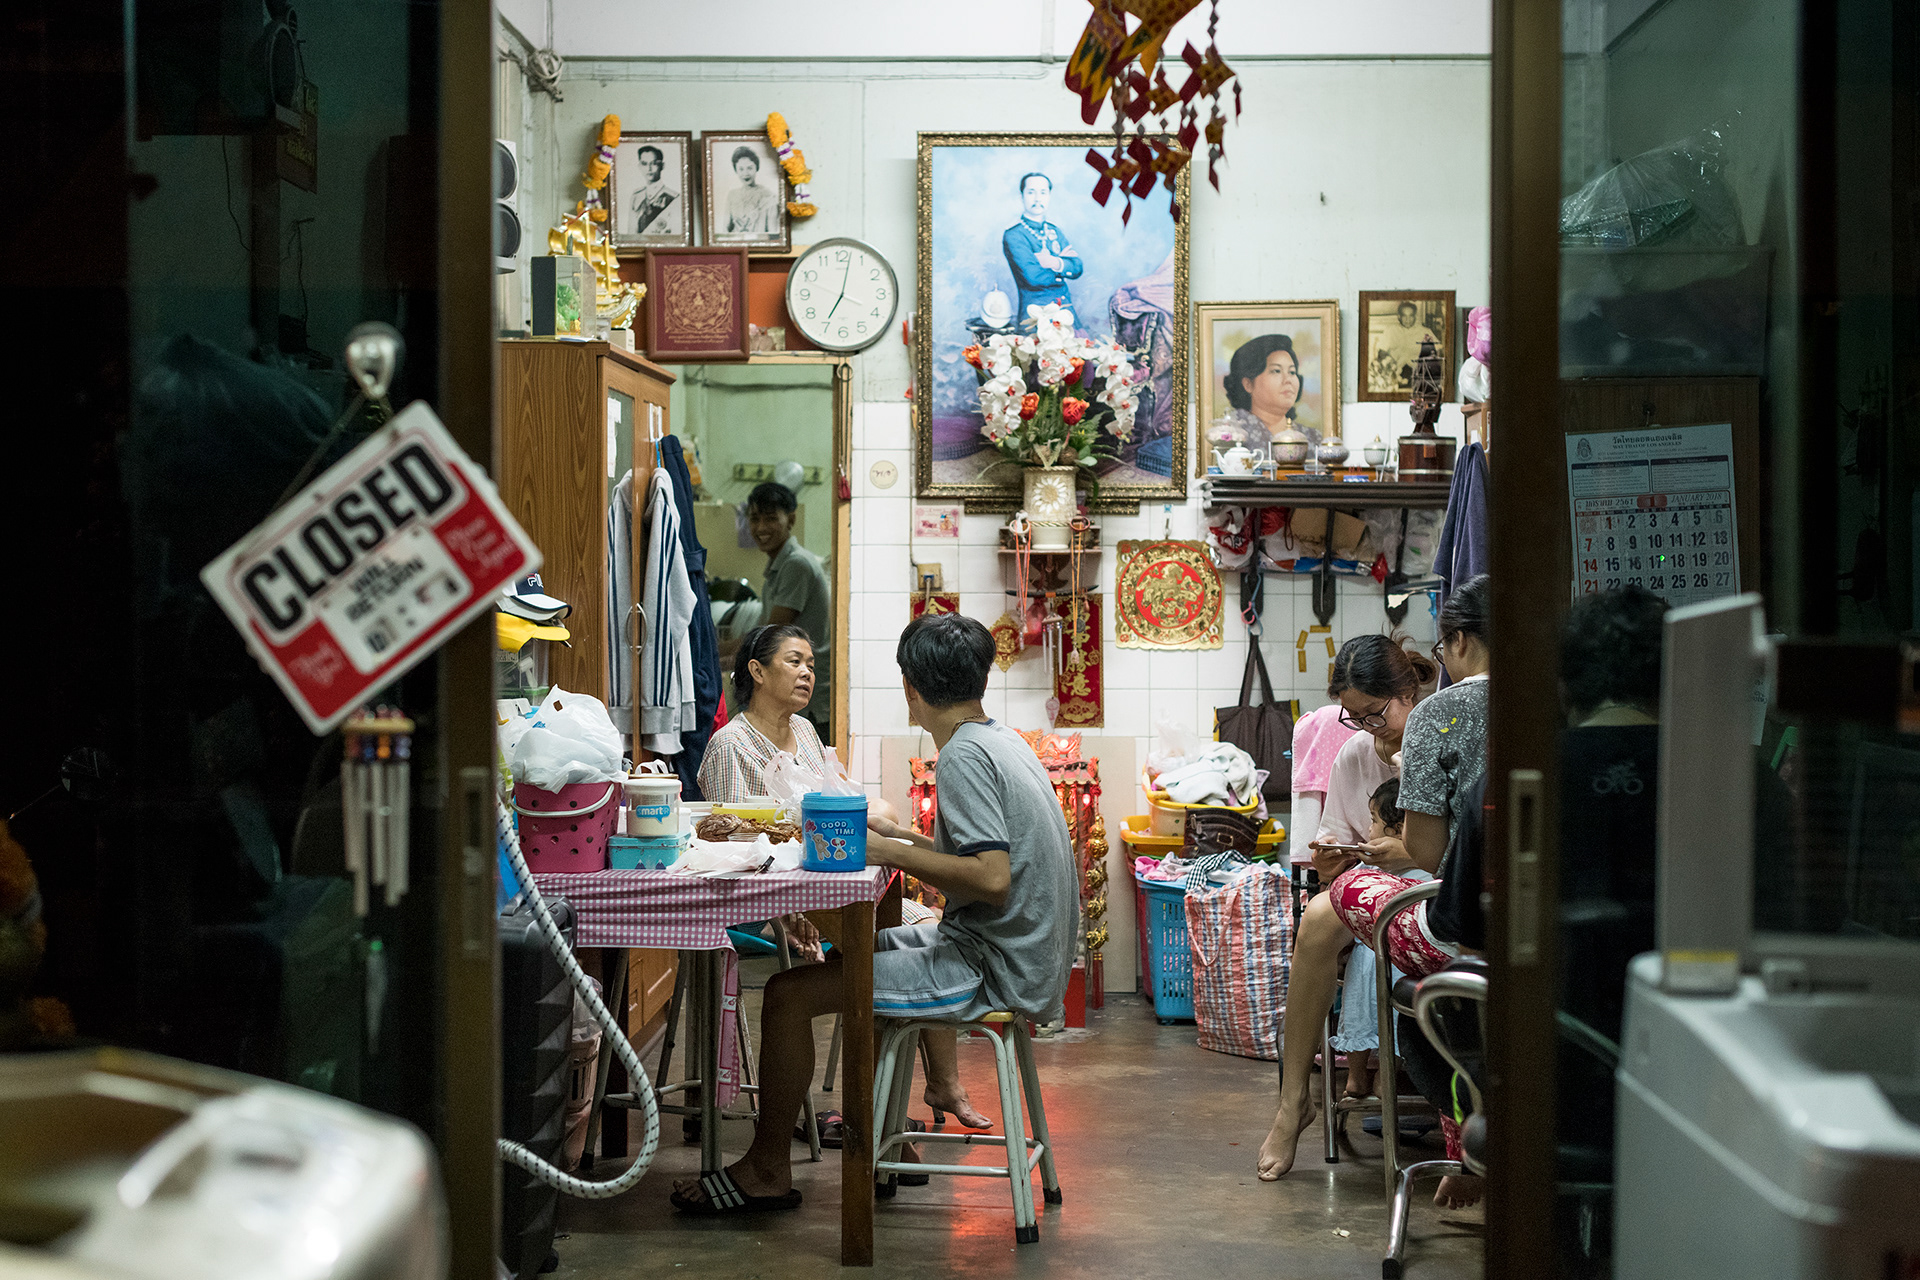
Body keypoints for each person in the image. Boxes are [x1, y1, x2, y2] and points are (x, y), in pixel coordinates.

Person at [670, 614, 1077, 1216]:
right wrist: (902, 837)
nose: (805, 672)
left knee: (786, 994)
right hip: (1023, 956)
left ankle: (768, 1168)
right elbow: (988, 862)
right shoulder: (1001, 740)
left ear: (910, 687)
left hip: (995, 966)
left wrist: (885, 851)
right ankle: (884, 1131)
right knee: (867, 947)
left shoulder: (962, 757)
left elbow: (992, 878)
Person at [1317, 574, 1491, 1208]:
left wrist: (1382, 855)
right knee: (1420, 1013)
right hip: (1549, 930)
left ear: (1459, 641)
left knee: (1357, 905)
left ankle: (1469, 1143)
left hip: (1464, 930)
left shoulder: (1440, 716)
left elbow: (1425, 852)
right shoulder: (1558, 698)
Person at [1257, 633, 1435, 1183]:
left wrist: (1407, 851)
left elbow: (1469, 844)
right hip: (1373, 889)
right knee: (1315, 917)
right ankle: (1293, 1102)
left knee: (1339, 909)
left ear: (1407, 693)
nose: (1365, 727)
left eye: (1374, 713)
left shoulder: (1441, 736)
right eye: (1352, 716)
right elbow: (1335, 846)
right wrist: (1332, 856)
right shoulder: (1355, 752)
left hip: (1435, 886)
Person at [736, 482, 832, 741]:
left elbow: (771, 636)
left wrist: (723, 654)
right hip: (795, 695)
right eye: (754, 519)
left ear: (790, 519)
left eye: (770, 518)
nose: (760, 528)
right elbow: (761, 629)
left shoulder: (796, 565)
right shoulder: (779, 566)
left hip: (808, 701)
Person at [1001, 173, 1083, 322]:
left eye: (1043, 193)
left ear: (1049, 196)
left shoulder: (1055, 231)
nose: (1037, 198)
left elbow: (1077, 267)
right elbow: (1033, 277)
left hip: (1067, 312)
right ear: (1021, 196)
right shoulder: (1014, 235)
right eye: (1031, 192)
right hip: (1035, 315)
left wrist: (1054, 262)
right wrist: (1063, 266)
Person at [1218, 332, 1318, 453]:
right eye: (1276, 371)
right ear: (1248, 384)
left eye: (1292, 372)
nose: (1288, 380)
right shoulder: (1230, 434)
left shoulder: (1312, 437)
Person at [1371, 300, 1439, 393]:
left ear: (1415, 316)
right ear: (1399, 317)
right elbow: (1381, 352)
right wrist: (1390, 363)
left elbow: (1437, 351)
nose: (1408, 320)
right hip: (1395, 375)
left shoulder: (1425, 331)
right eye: (1404, 316)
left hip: (1418, 375)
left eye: (1411, 316)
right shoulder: (1390, 330)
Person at [724, 145, 780, 236]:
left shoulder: (770, 197)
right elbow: (725, 230)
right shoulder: (732, 195)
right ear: (736, 170)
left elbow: (773, 233)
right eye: (741, 169)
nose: (745, 173)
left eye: (750, 168)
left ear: (756, 168)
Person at [629, 143, 681, 237]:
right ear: (639, 166)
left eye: (654, 163)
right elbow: (631, 234)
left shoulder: (674, 198)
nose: (649, 169)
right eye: (644, 164)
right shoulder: (636, 196)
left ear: (662, 166)